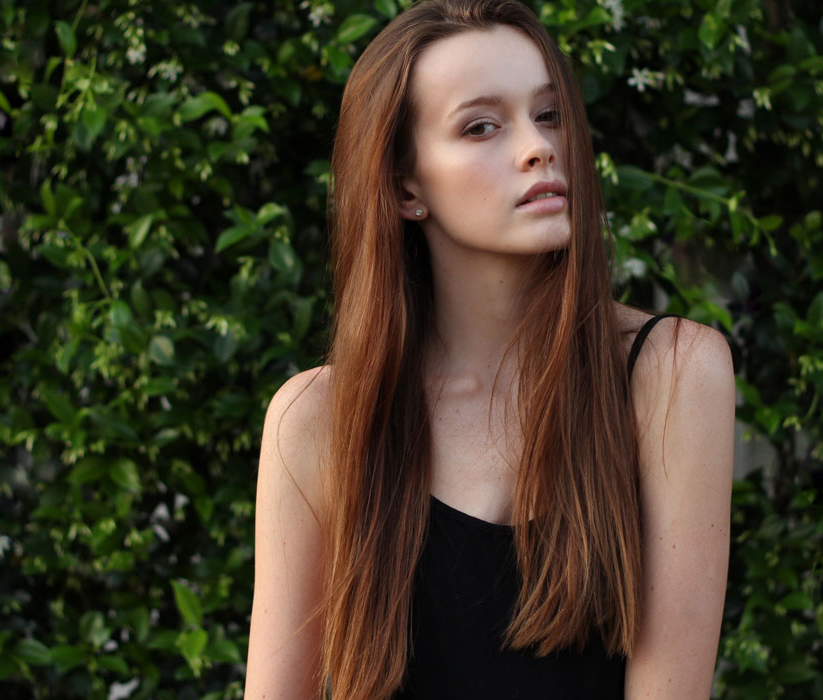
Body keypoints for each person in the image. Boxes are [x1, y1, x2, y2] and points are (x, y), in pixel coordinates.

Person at [244, 0, 734, 698]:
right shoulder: (318, 419)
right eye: (481, 126)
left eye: (549, 114)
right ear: (405, 185)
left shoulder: (673, 375)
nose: (538, 147)